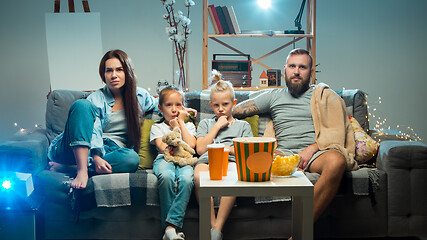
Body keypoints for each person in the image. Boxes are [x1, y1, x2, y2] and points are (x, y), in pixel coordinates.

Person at [233, 49, 358, 224]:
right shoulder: (273, 96)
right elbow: (236, 110)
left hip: (316, 154)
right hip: (282, 155)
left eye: (302, 67)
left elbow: (334, 133)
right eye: (292, 66)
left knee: (337, 161)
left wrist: (311, 149)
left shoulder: (322, 95)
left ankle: (298, 232)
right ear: (285, 69)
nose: (297, 71)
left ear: (311, 72)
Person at [47, 49, 196, 190]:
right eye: (109, 70)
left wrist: (181, 110)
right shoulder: (96, 99)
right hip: (73, 148)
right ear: (103, 74)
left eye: (119, 69)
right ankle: (81, 170)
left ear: (128, 72)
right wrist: (96, 155)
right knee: (81, 105)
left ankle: (69, 168)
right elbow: (95, 130)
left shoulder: (140, 96)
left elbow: (162, 107)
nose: (114, 75)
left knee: (131, 159)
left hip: (111, 151)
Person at [194, 73, 253, 240]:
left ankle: (217, 230)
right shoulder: (206, 124)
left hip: (231, 161)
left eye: (225, 104)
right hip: (207, 160)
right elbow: (200, 149)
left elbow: (246, 151)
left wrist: (226, 149)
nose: (221, 109)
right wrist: (217, 125)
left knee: (234, 176)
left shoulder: (243, 126)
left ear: (233, 104)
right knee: (198, 176)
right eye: (216, 105)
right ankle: (212, 226)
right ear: (211, 105)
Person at [150, 86, 197, 240]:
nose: (174, 109)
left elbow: (191, 145)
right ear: (160, 108)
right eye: (169, 105)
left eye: (178, 105)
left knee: (186, 179)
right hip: (165, 159)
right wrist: (174, 128)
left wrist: (180, 124)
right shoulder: (157, 127)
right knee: (167, 177)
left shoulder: (188, 126)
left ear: (183, 107)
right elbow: (164, 148)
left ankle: (170, 228)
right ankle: (171, 230)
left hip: (184, 161)